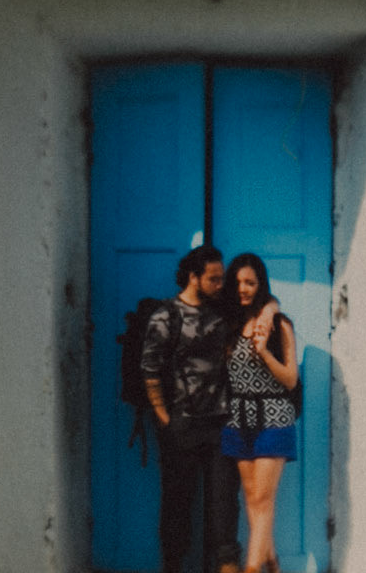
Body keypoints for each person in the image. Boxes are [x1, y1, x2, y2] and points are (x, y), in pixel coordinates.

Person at [141, 244, 241, 573]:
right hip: (181, 425)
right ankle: (173, 566)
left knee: (224, 507)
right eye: (213, 278)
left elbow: (264, 301)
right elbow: (150, 370)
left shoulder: (221, 311)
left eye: (221, 277)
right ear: (193, 277)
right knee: (177, 504)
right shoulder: (166, 315)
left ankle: (227, 566)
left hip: (220, 424)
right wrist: (165, 419)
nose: (220, 284)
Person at [221, 252, 299, 573]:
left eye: (250, 283)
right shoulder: (230, 323)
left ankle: (251, 568)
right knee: (252, 497)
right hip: (238, 419)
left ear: (261, 284)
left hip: (274, 418)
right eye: (238, 283)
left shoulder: (280, 325)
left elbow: (291, 379)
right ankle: (272, 563)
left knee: (264, 499)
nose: (244, 289)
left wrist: (264, 352)